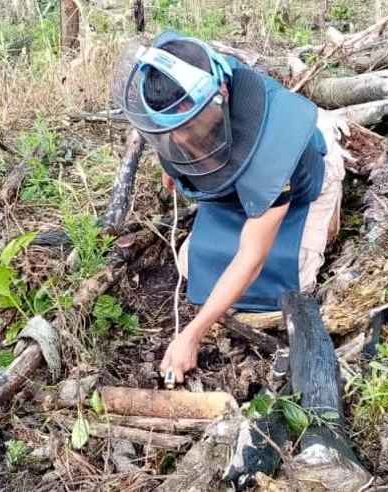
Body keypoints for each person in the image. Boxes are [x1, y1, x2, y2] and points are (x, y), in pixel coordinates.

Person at [110, 31, 347, 384]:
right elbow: (169, 131)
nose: (181, 141)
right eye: (170, 132)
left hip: (297, 185)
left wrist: (191, 335)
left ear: (220, 96)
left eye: (190, 129)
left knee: (291, 280)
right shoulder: (188, 74)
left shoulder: (272, 148)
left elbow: (252, 259)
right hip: (236, 189)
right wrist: (170, 164)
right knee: (192, 264)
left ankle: (331, 142)